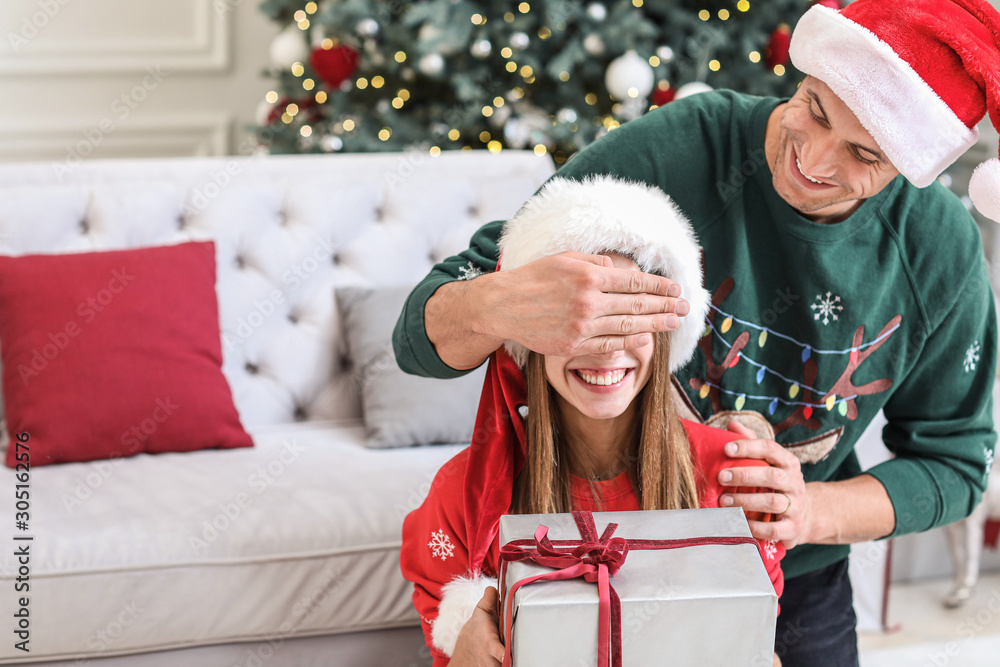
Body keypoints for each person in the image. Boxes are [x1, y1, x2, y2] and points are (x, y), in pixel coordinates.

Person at [394, 1, 1000, 665]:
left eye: (864, 154)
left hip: (791, 576)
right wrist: (502, 301)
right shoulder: (683, 146)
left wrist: (807, 510)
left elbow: (955, 463)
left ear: (910, 165)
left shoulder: (937, 249)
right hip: (584, 551)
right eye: (815, 108)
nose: (815, 160)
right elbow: (418, 333)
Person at [400, 176, 786, 667]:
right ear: (532, 335)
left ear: (667, 326)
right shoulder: (463, 497)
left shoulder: (733, 479)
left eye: (629, 314)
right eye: (581, 317)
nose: (606, 346)